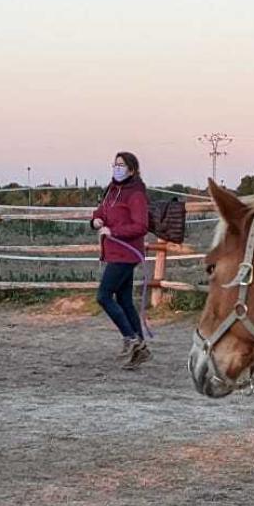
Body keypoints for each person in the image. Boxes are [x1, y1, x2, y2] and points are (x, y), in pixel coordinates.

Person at [90, 152, 151, 369]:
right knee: (124, 300)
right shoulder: (112, 190)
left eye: (122, 165)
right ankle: (140, 348)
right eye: (115, 164)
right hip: (114, 252)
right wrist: (96, 219)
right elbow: (102, 210)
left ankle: (131, 338)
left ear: (132, 170)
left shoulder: (135, 195)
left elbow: (140, 226)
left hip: (126, 253)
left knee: (104, 296)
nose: (117, 168)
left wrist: (113, 231)